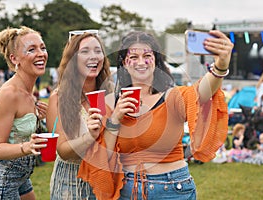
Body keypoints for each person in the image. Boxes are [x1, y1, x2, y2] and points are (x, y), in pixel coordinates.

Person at [78, 30, 233, 199]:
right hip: (128, 191)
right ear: (124, 63)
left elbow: (203, 92)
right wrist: (115, 118)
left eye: (147, 55)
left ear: (156, 61)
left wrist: (221, 66)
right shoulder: (109, 103)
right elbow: (104, 157)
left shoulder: (172, 97)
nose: (141, 62)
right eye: (134, 57)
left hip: (173, 189)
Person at [47, 30, 114, 199]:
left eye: (98, 51)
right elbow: (62, 150)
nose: (94, 56)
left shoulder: (110, 92)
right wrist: (90, 136)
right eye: (85, 51)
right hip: (71, 183)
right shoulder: (59, 97)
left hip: (106, 178)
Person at [0, 26, 48, 199]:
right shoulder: (9, 94)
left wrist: (39, 119)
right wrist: (26, 147)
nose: (41, 53)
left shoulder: (30, 90)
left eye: (42, 47)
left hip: (21, 175)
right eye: (31, 49)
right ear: (14, 59)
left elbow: (18, 129)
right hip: (1, 178)